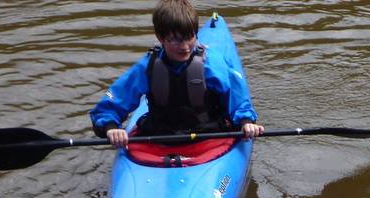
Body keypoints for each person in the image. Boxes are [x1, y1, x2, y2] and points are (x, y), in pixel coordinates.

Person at [89, 0, 263, 148]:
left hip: (209, 134)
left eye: (189, 37)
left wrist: (246, 123)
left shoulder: (211, 64)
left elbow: (239, 101)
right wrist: (111, 127)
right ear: (160, 38)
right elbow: (110, 105)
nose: (185, 46)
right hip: (160, 134)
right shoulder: (147, 67)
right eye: (175, 40)